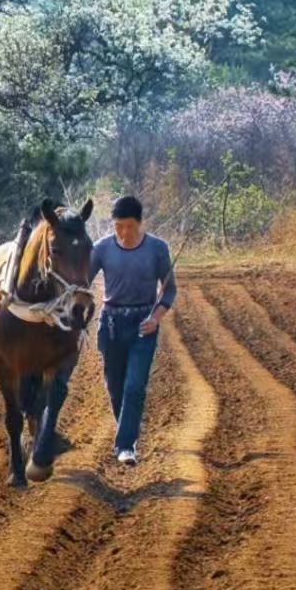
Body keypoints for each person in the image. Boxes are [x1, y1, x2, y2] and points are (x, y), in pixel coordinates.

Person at [86, 194, 176, 466]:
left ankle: (126, 446)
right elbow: (81, 283)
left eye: (129, 226)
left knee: (134, 386)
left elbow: (169, 289)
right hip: (111, 325)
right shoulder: (101, 249)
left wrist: (156, 318)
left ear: (140, 224)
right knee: (115, 385)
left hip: (143, 325)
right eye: (118, 227)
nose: (124, 233)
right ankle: (127, 426)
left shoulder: (157, 248)